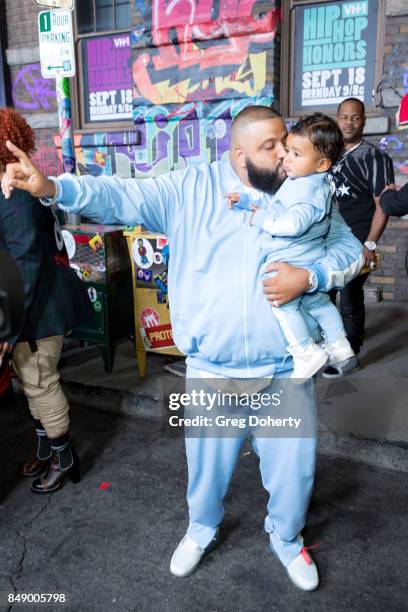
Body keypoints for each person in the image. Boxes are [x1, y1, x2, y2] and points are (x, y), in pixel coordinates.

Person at [2, 106, 363, 591]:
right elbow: (118, 193)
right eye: (270, 147)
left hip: (285, 369)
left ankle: (287, 537)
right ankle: (201, 530)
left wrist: (312, 276)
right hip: (212, 370)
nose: (284, 155)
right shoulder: (186, 190)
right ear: (238, 154)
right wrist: (51, 188)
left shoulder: (306, 193)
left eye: (286, 143)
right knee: (206, 473)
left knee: (293, 472)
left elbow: (350, 251)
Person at [0, 108, 91, 494]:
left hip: (37, 307)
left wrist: (6, 324)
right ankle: (46, 448)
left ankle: (64, 457)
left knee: (40, 382)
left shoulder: (15, 192)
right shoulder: (19, 184)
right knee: (30, 380)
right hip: (35, 303)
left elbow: (23, 263)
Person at [226, 114, 355, 380]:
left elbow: (291, 224)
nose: (286, 157)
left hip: (293, 259)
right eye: (288, 149)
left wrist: (260, 219)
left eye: (295, 153)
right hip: (307, 257)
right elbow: (277, 202)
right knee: (320, 304)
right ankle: (341, 348)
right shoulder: (304, 180)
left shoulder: (308, 190)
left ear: (322, 164)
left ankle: (305, 351)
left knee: (282, 304)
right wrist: (246, 200)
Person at [324, 98, 394, 378]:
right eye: (344, 117)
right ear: (337, 119)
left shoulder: (374, 157)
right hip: (327, 240)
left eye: (355, 118)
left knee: (350, 296)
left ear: (364, 121)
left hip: (357, 240)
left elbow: (384, 205)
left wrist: (370, 243)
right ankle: (329, 345)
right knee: (323, 295)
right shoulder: (327, 154)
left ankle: (348, 354)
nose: (349, 122)